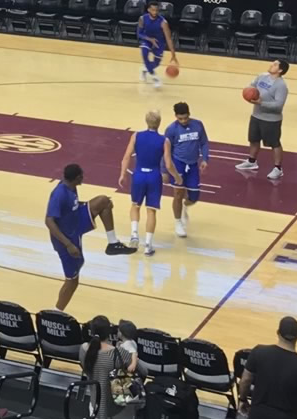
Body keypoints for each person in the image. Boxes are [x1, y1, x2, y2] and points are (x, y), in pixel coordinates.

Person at [45, 163, 118, 310]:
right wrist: (68, 245)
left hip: (76, 220)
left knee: (104, 201)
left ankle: (113, 243)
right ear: (77, 178)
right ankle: (57, 312)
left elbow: (72, 205)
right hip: (66, 237)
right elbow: (49, 221)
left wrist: (92, 207)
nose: (83, 178)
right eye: (82, 176)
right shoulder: (59, 194)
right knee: (72, 281)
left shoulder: (71, 186)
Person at [80, 317, 138, 419]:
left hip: (97, 401)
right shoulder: (120, 353)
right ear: (110, 332)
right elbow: (142, 371)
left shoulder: (84, 350)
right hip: (120, 402)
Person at [120, 109, 166, 254]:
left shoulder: (136, 136)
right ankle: (148, 245)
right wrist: (176, 177)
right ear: (159, 123)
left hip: (139, 175)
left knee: (135, 205)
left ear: (146, 121)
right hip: (154, 177)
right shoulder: (164, 140)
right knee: (151, 210)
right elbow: (169, 164)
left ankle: (134, 235)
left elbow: (126, 157)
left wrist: (122, 174)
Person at [162, 101, 209, 240]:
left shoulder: (198, 125)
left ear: (189, 114)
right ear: (175, 116)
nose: (183, 121)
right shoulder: (171, 129)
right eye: (180, 118)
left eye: (185, 118)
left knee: (194, 196)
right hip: (178, 164)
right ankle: (178, 223)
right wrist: (164, 170)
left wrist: (205, 158)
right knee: (177, 193)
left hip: (193, 164)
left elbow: (204, 142)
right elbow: (165, 151)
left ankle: (185, 207)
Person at [237, 60, 289, 180]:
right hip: (256, 115)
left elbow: (278, 105)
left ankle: (278, 168)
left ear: (280, 70)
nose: (271, 64)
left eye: (275, 64)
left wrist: (261, 102)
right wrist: (249, 92)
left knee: (274, 143)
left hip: (271, 119)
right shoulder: (262, 76)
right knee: (254, 140)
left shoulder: (281, 86)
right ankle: (252, 161)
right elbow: (252, 86)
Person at [136, 0, 175, 87]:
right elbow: (139, 33)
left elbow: (168, 38)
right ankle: (155, 77)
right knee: (145, 54)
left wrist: (173, 53)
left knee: (156, 63)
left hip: (159, 42)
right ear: (148, 10)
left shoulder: (163, 22)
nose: (155, 12)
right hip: (147, 39)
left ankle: (145, 69)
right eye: (153, 10)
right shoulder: (142, 19)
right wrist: (149, 39)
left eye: (157, 10)